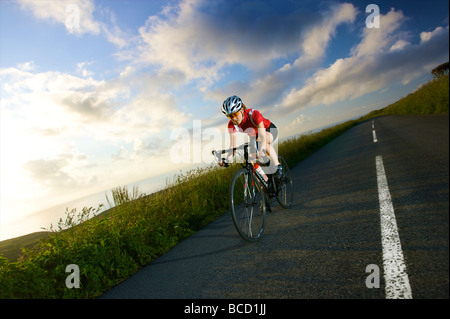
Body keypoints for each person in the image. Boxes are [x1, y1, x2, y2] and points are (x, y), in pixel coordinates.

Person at [219, 95, 283, 179]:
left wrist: (262, 149)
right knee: (252, 162)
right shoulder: (231, 125)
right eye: (230, 116)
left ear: (242, 109)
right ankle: (264, 182)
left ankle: (278, 166)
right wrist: (226, 161)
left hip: (268, 130)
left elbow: (263, 137)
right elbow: (232, 146)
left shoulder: (253, 114)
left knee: (262, 144)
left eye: (235, 114)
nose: (234, 118)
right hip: (254, 136)